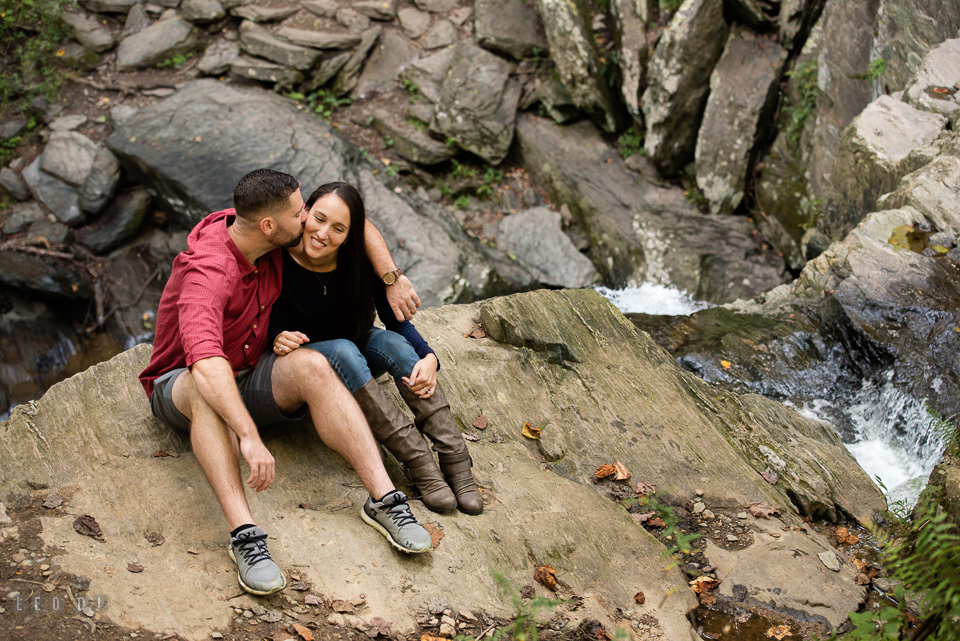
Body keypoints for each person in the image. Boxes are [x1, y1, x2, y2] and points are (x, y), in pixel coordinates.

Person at [139, 169, 433, 598]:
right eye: (302, 214)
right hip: (182, 385)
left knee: (314, 364)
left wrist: (390, 275)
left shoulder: (270, 230)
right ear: (270, 227)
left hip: (252, 370)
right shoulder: (209, 273)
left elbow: (356, 221)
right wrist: (248, 436)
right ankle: (245, 535)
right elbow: (206, 363)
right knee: (203, 389)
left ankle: (384, 500)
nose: (310, 221)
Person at [268, 182, 482, 516]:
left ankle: (456, 459)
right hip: (309, 367)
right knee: (343, 349)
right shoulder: (278, 256)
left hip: (354, 357)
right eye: (319, 219)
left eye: (338, 228)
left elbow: (396, 322)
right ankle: (419, 462)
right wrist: (275, 337)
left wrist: (428, 357)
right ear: (305, 213)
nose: (323, 233)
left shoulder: (358, 263)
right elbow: (255, 315)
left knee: (390, 342)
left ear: (350, 235)